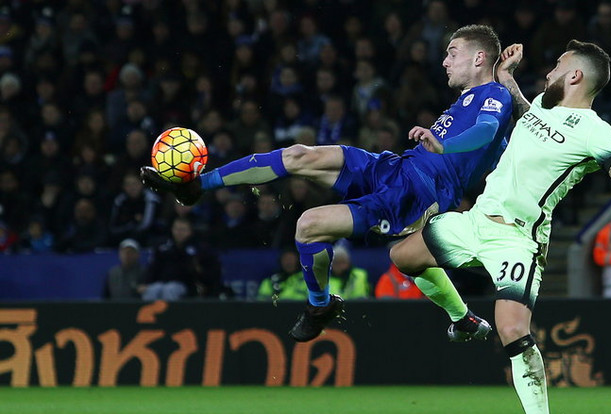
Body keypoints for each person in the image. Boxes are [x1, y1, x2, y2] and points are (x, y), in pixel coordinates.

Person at [389, 40, 611, 414]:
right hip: (475, 221)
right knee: (402, 255)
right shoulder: (543, 108)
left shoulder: (596, 131)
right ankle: (463, 320)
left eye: (557, 66)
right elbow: (528, 119)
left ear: (575, 75)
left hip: (516, 239)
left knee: (512, 330)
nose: (548, 73)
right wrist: (505, 75)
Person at [141, 24, 512, 343]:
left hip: (416, 194)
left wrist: (443, 142)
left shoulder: (493, 95)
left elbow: (487, 130)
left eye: (452, 52)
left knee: (308, 226)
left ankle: (320, 306)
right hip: (396, 167)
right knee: (300, 155)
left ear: (479, 58)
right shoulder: (469, 99)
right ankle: (196, 186)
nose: (445, 60)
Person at [141, 217, 222, 300]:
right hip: (163, 282)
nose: (179, 232)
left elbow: (205, 271)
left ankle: (172, 313)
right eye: (176, 229)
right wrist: (147, 283)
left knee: (170, 290)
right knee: (152, 290)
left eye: (183, 229)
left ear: (190, 231)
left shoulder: (198, 249)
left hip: (186, 285)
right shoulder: (164, 247)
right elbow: (154, 266)